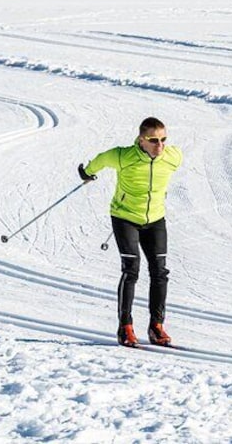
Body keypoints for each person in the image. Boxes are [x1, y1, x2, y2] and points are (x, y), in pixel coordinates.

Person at [78, 117, 183, 347]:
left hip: (155, 219)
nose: (160, 146)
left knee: (159, 271)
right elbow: (100, 160)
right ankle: (125, 327)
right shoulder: (123, 156)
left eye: (163, 139)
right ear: (141, 140)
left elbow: (173, 158)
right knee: (131, 269)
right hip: (124, 218)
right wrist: (87, 172)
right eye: (154, 140)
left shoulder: (172, 157)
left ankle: (156, 326)